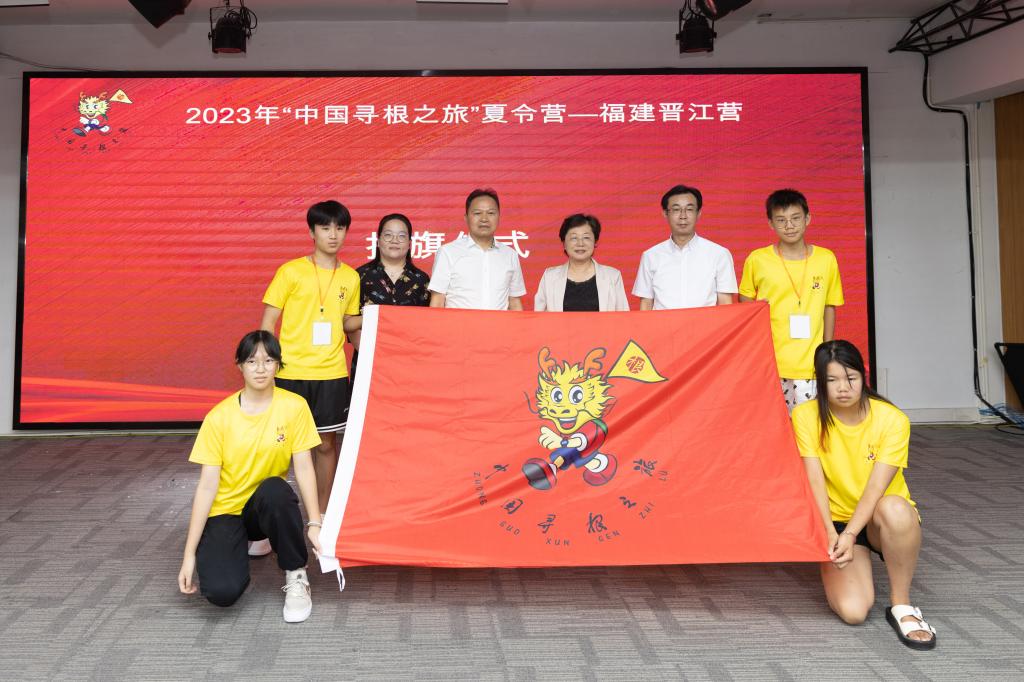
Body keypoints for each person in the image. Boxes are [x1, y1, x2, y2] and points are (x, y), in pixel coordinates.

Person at [792, 340, 936, 650]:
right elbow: (814, 480)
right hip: (837, 522)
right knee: (854, 612)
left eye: (851, 378)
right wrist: (831, 533)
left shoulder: (892, 419)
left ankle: (902, 605)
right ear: (820, 382)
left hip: (879, 518)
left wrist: (852, 532)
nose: (843, 388)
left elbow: (875, 489)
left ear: (863, 376)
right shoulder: (805, 416)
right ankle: (853, 557)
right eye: (832, 380)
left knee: (896, 510)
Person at [178, 331, 323, 624]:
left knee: (276, 490)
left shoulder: (294, 407)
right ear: (239, 366)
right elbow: (207, 486)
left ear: (278, 365)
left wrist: (315, 523)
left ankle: (296, 574)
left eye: (268, 360)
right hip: (227, 510)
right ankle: (241, 543)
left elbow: (305, 468)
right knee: (222, 593)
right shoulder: (219, 417)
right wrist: (188, 554)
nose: (260, 368)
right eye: (252, 361)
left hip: (263, 504)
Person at [261, 200, 361, 530]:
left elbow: (348, 323)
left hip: (331, 373)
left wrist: (375, 316)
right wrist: (266, 368)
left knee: (327, 445)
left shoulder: (350, 277)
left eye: (340, 228)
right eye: (325, 227)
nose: (333, 235)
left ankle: (321, 517)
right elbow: (268, 322)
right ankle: (269, 519)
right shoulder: (290, 271)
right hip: (290, 372)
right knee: (281, 446)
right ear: (311, 232)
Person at [740, 189, 844, 410]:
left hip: (811, 362)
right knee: (775, 421)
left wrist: (828, 351)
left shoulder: (826, 259)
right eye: (781, 220)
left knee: (809, 421)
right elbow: (745, 300)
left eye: (796, 218)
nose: (789, 226)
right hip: (770, 360)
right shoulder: (758, 259)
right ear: (770, 223)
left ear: (808, 218)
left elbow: (829, 305)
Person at [349, 213, 431, 379]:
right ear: (378, 241)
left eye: (401, 236)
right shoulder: (359, 276)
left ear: (409, 243)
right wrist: (371, 355)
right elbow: (350, 322)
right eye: (388, 235)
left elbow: (427, 325)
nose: (395, 240)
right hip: (369, 364)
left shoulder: (421, 280)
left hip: (410, 363)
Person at [633, 184, 737, 310]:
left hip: (705, 323)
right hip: (664, 323)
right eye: (676, 209)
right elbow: (646, 304)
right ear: (665, 213)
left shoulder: (719, 254)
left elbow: (725, 304)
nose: (683, 216)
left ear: (698, 213)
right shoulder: (650, 256)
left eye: (689, 209)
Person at [428, 188, 526, 310]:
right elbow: (437, 302)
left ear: (499, 217)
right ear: (466, 218)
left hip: (499, 323)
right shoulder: (447, 252)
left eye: (491, 213)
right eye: (477, 213)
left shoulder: (510, 255)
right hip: (458, 323)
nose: (484, 219)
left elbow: (514, 302)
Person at [534, 213, 629, 312]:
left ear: (595, 241)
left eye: (586, 237)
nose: (580, 243)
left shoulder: (613, 276)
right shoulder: (549, 277)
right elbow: (539, 317)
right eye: (574, 238)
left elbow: (624, 317)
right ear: (564, 244)